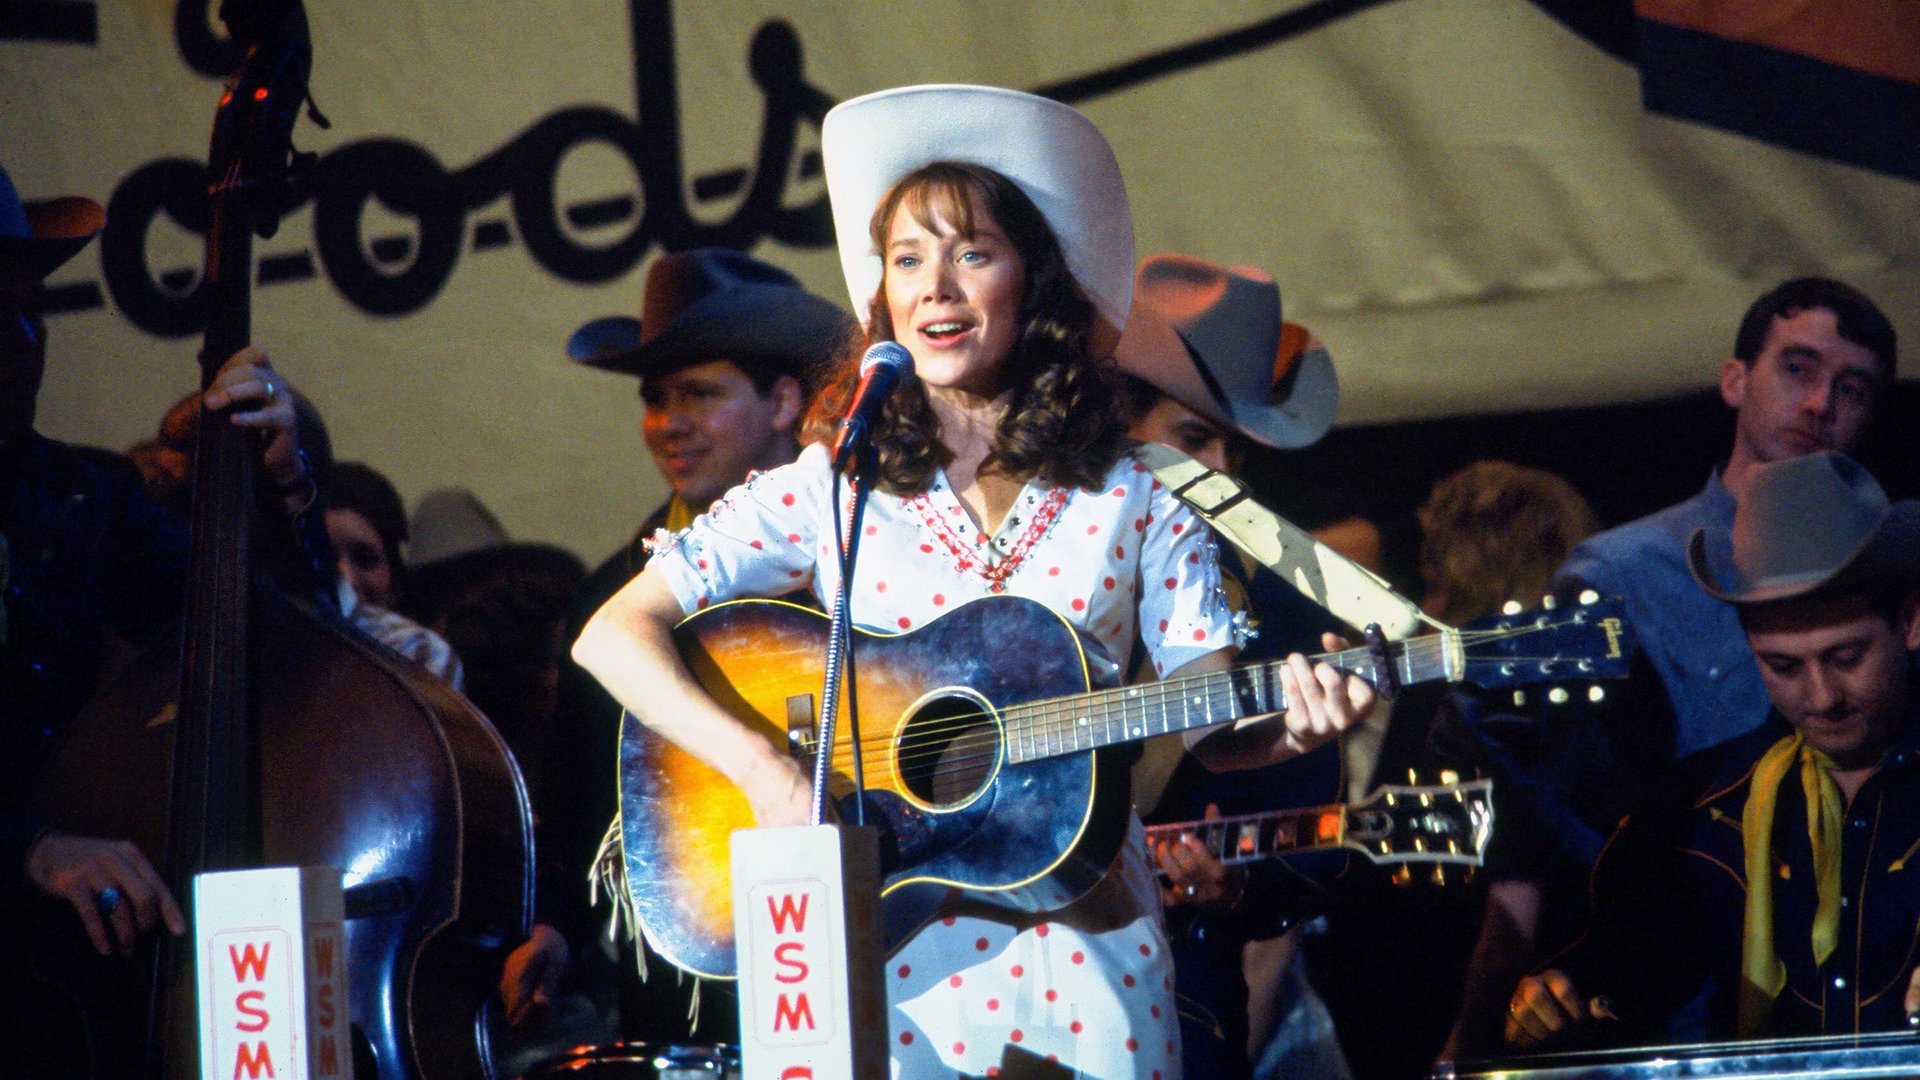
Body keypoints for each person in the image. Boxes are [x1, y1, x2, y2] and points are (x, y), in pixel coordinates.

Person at [574, 83, 1376, 1079]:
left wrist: (1295, 720)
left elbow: (1214, 725)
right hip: (885, 949)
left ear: (1033, 282)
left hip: (1091, 948)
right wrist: (766, 770)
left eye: (972, 252)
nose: (936, 287)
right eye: (907, 258)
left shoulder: (1134, 496)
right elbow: (613, 634)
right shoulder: (834, 487)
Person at [0, 163, 319, 959]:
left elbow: (279, 641)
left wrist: (281, 483)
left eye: (29, 309)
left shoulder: (83, 495)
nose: (20, 344)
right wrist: (29, 847)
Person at [1506, 451, 1920, 1048]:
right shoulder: (1701, 806)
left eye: (1846, 658)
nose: (1822, 696)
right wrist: (1558, 998)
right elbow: (1619, 969)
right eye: (1783, 666)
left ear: (1910, 622)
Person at [547, 248, 854, 1043]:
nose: (669, 422)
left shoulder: (863, 555)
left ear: (785, 399)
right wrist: (553, 927)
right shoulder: (609, 594)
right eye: (655, 398)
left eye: (700, 393)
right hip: (685, 983)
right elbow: (583, 793)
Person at [1557, 278, 1897, 760]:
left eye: (1852, 390)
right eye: (1797, 368)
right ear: (1735, 380)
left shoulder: (1889, 561)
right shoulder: (1623, 573)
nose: (1820, 404)